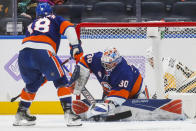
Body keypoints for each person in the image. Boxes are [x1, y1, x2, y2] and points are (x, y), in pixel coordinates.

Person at [13, 2, 83, 126]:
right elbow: (70, 28)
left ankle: (20, 113)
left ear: (37, 14)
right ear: (51, 12)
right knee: (61, 81)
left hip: (24, 55)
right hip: (43, 52)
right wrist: (75, 47)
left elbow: (33, 44)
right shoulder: (55, 18)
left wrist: (42, 73)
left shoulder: (32, 24)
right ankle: (69, 114)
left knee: (32, 84)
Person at [69, 47, 144, 119]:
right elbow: (84, 61)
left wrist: (108, 104)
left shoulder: (124, 72)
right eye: (104, 63)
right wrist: (78, 79)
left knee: (114, 103)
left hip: (132, 89)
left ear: (116, 62)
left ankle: (141, 95)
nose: (105, 66)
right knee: (107, 98)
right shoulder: (97, 59)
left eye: (108, 64)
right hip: (112, 88)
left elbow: (119, 96)